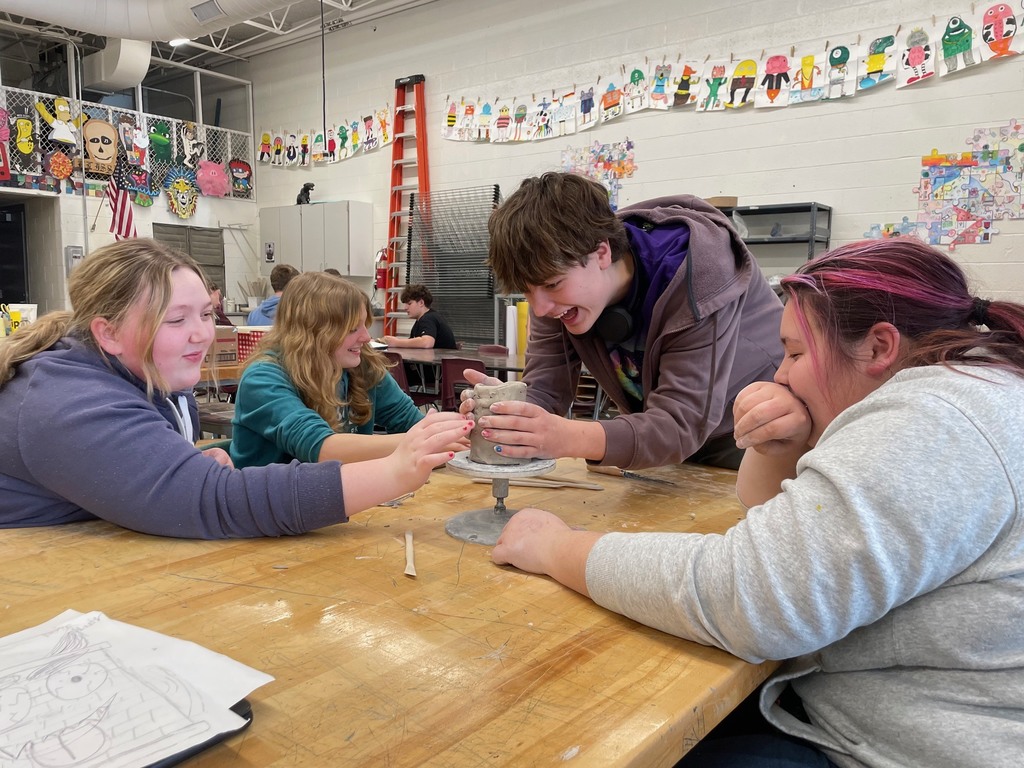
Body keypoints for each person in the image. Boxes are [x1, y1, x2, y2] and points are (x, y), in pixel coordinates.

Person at [490, 238, 1024, 767]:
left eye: (794, 353)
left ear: (880, 348)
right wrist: (782, 448)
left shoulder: (933, 421)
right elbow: (773, 526)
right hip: (854, 713)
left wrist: (558, 547)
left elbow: (750, 597)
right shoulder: (970, 386)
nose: (781, 374)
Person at [0, 239, 472, 539]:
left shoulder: (154, 369)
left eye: (205, 314)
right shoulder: (70, 403)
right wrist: (394, 471)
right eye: (176, 320)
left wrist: (175, 462)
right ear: (107, 332)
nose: (202, 335)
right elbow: (215, 502)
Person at [464, 171, 784, 470]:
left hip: (750, 437)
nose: (541, 307)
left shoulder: (699, 275)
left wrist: (568, 438)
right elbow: (545, 393)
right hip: (666, 438)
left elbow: (680, 423)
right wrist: (509, 410)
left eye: (551, 284)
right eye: (526, 291)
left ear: (602, 253)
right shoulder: (556, 291)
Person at [231, 272, 465, 468]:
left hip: (340, 504)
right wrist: (420, 441)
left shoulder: (361, 365)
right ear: (313, 333)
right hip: (271, 515)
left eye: (365, 325)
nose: (366, 337)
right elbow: (322, 449)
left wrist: (457, 434)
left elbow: (407, 419)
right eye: (353, 328)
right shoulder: (264, 378)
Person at [381, 284, 457, 350]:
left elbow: (427, 342)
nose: (405, 308)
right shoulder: (420, 321)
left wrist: (396, 342)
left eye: (409, 303)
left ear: (421, 303)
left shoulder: (429, 318)